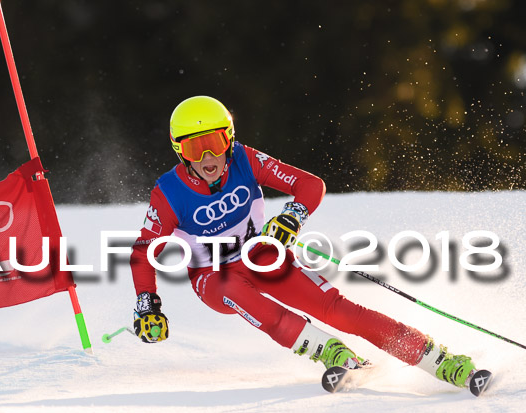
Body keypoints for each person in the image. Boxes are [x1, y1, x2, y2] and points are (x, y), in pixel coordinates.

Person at [129, 95, 479, 390]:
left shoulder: (244, 159)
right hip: (212, 275)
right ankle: (331, 352)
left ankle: (437, 359)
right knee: (235, 289)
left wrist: (292, 216)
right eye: (195, 147)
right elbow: (145, 252)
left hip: (260, 254)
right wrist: (148, 303)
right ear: (180, 150)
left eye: (215, 143)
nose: (208, 158)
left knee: (340, 311)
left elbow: (310, 185)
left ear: (230, 139)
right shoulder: (169, 193)